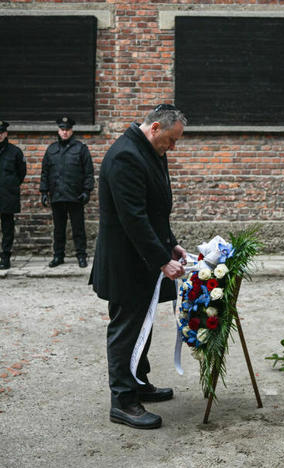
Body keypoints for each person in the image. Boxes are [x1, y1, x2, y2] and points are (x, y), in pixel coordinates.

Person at [89, 104, 187, 429]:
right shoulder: (125, 156)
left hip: (143, 259)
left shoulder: (152, 151)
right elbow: (134, 217)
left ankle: (138, 382)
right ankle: (123, 400)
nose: (173, 147)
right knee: (125, 329)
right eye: (171, 140)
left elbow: (156, 208)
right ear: (156, 127)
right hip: (125, 263)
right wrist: (162, 260)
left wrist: (169, 243)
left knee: (142, 325)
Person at [39, 116, 94, 268]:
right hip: (57, 195)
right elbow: (45, 172)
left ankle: (81, 255)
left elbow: (88, 172)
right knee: (59, 229)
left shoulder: (80, 149)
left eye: (67, 130)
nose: (64, 132)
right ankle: (58, 255)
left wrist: (86, 191)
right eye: (62, 129)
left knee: (78, 228)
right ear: (58, 130)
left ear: (71, 131)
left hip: (75, 196)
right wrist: (44, 192)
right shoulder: (51, 150)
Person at [0, 121, 27, 270]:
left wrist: (10, 184)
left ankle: (5, 257)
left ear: (5, 133)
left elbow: (21, 173)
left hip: (7, 194)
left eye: (1, 133)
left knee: (7, 227)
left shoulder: (15, 152)